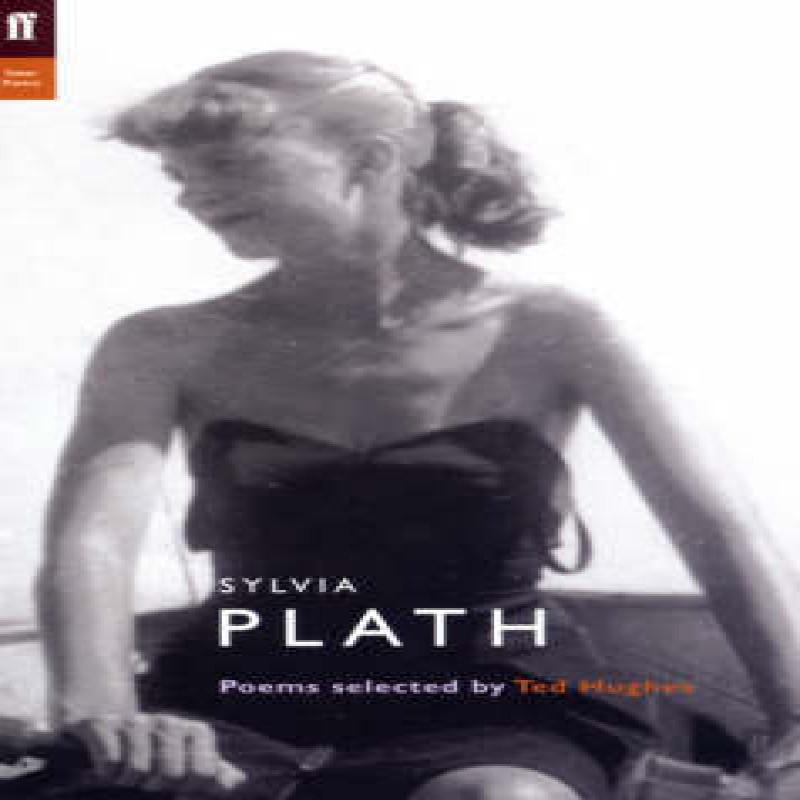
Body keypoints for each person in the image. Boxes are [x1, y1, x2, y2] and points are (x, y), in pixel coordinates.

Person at [30, 51, 800, 800]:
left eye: (227, 165)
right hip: (235, 694)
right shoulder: (160, 344)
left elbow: (717, 530)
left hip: (497, 698)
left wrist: (796, 724)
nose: (192, 198)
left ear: (370, 158)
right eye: (179, 176)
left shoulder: (556, 328)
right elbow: (94, 542)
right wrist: (106, 719)